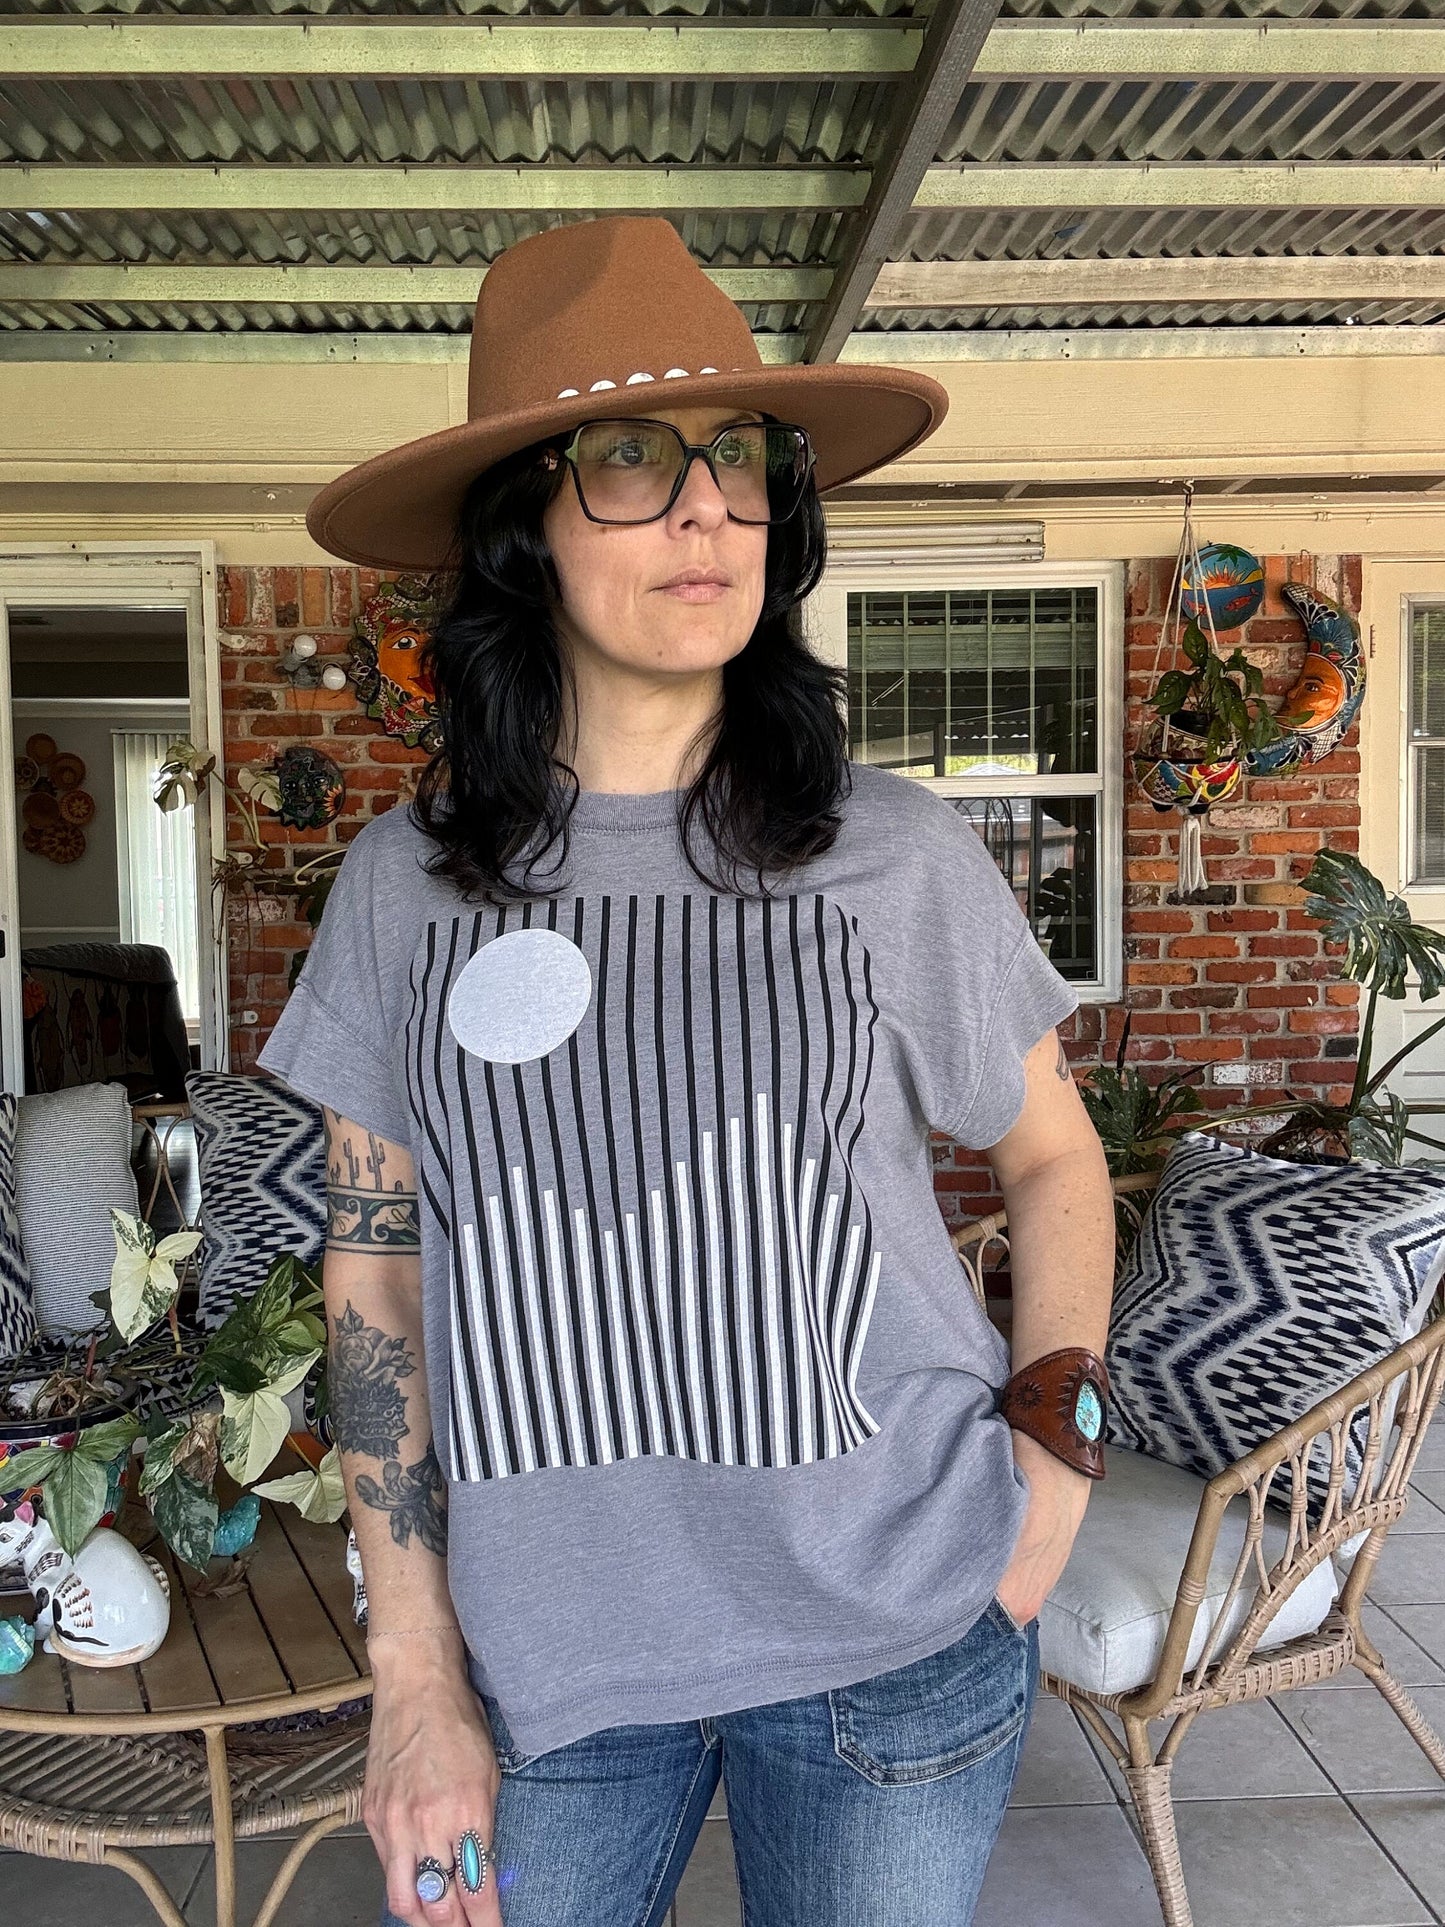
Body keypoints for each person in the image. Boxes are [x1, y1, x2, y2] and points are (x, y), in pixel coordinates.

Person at [257, 215, 1116, 1927]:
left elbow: (1051, 1161)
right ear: (522, 531)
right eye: (635, 459)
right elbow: (378, 1272)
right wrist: (414, 1673)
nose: (708, 508)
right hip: (545, 1666)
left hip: (897, 1634)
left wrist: (1048, 1489)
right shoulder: (404, 888)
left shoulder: (892, 856)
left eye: (741, 458)